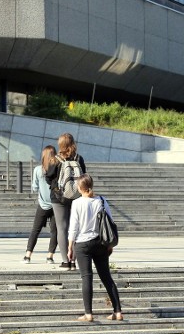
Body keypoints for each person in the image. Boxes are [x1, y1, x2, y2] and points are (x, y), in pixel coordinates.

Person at [68, 173, 122, 322]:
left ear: (80, 187)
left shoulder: (77, 203)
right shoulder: (102, 201)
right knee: (106, 277)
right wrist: (110, 245)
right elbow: (110, 222)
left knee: (87, 278)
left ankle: (88, 314)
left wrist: (70, 246)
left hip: (83, 244)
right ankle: (117, 312)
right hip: (100, 243)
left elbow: (73, 226)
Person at [45, 132, 86, 269]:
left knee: (61, 228)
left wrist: (54, 185)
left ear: (60, 144)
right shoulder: (79, 159)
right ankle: (74, 260)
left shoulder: (55, 159)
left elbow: (48, 177)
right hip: (76, 197)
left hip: (59, 198)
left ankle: (65, 261)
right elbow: (83, 176)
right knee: (74, 228)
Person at [23, 145, 58, 264]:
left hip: (43, 204)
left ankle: (28, 255)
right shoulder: (58, 169)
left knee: (35, 230)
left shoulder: (38, 170)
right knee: (55, 232)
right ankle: (50, 256)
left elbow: (34, 187)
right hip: (56, 205)